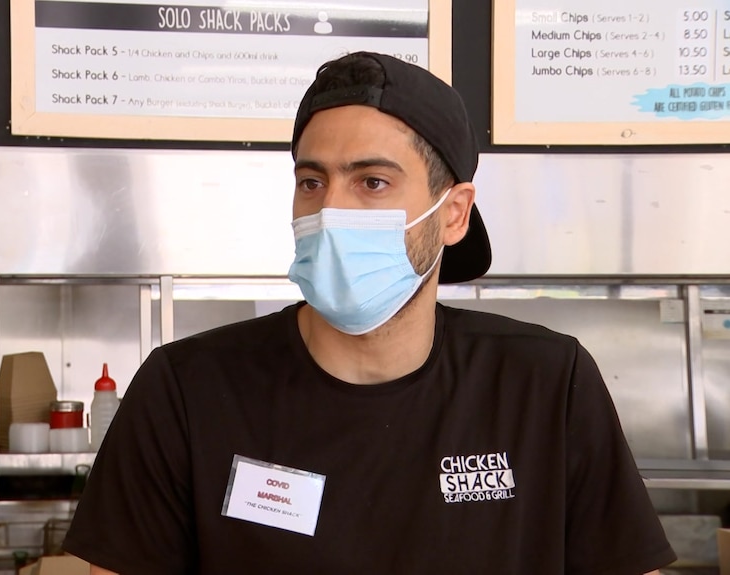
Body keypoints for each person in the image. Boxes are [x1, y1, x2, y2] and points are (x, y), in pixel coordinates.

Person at [63, 51, 676, 574]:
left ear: (454, 213)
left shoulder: (545, 384)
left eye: (373, 182)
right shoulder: (186, 391)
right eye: (312, 181)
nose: (330, 210)